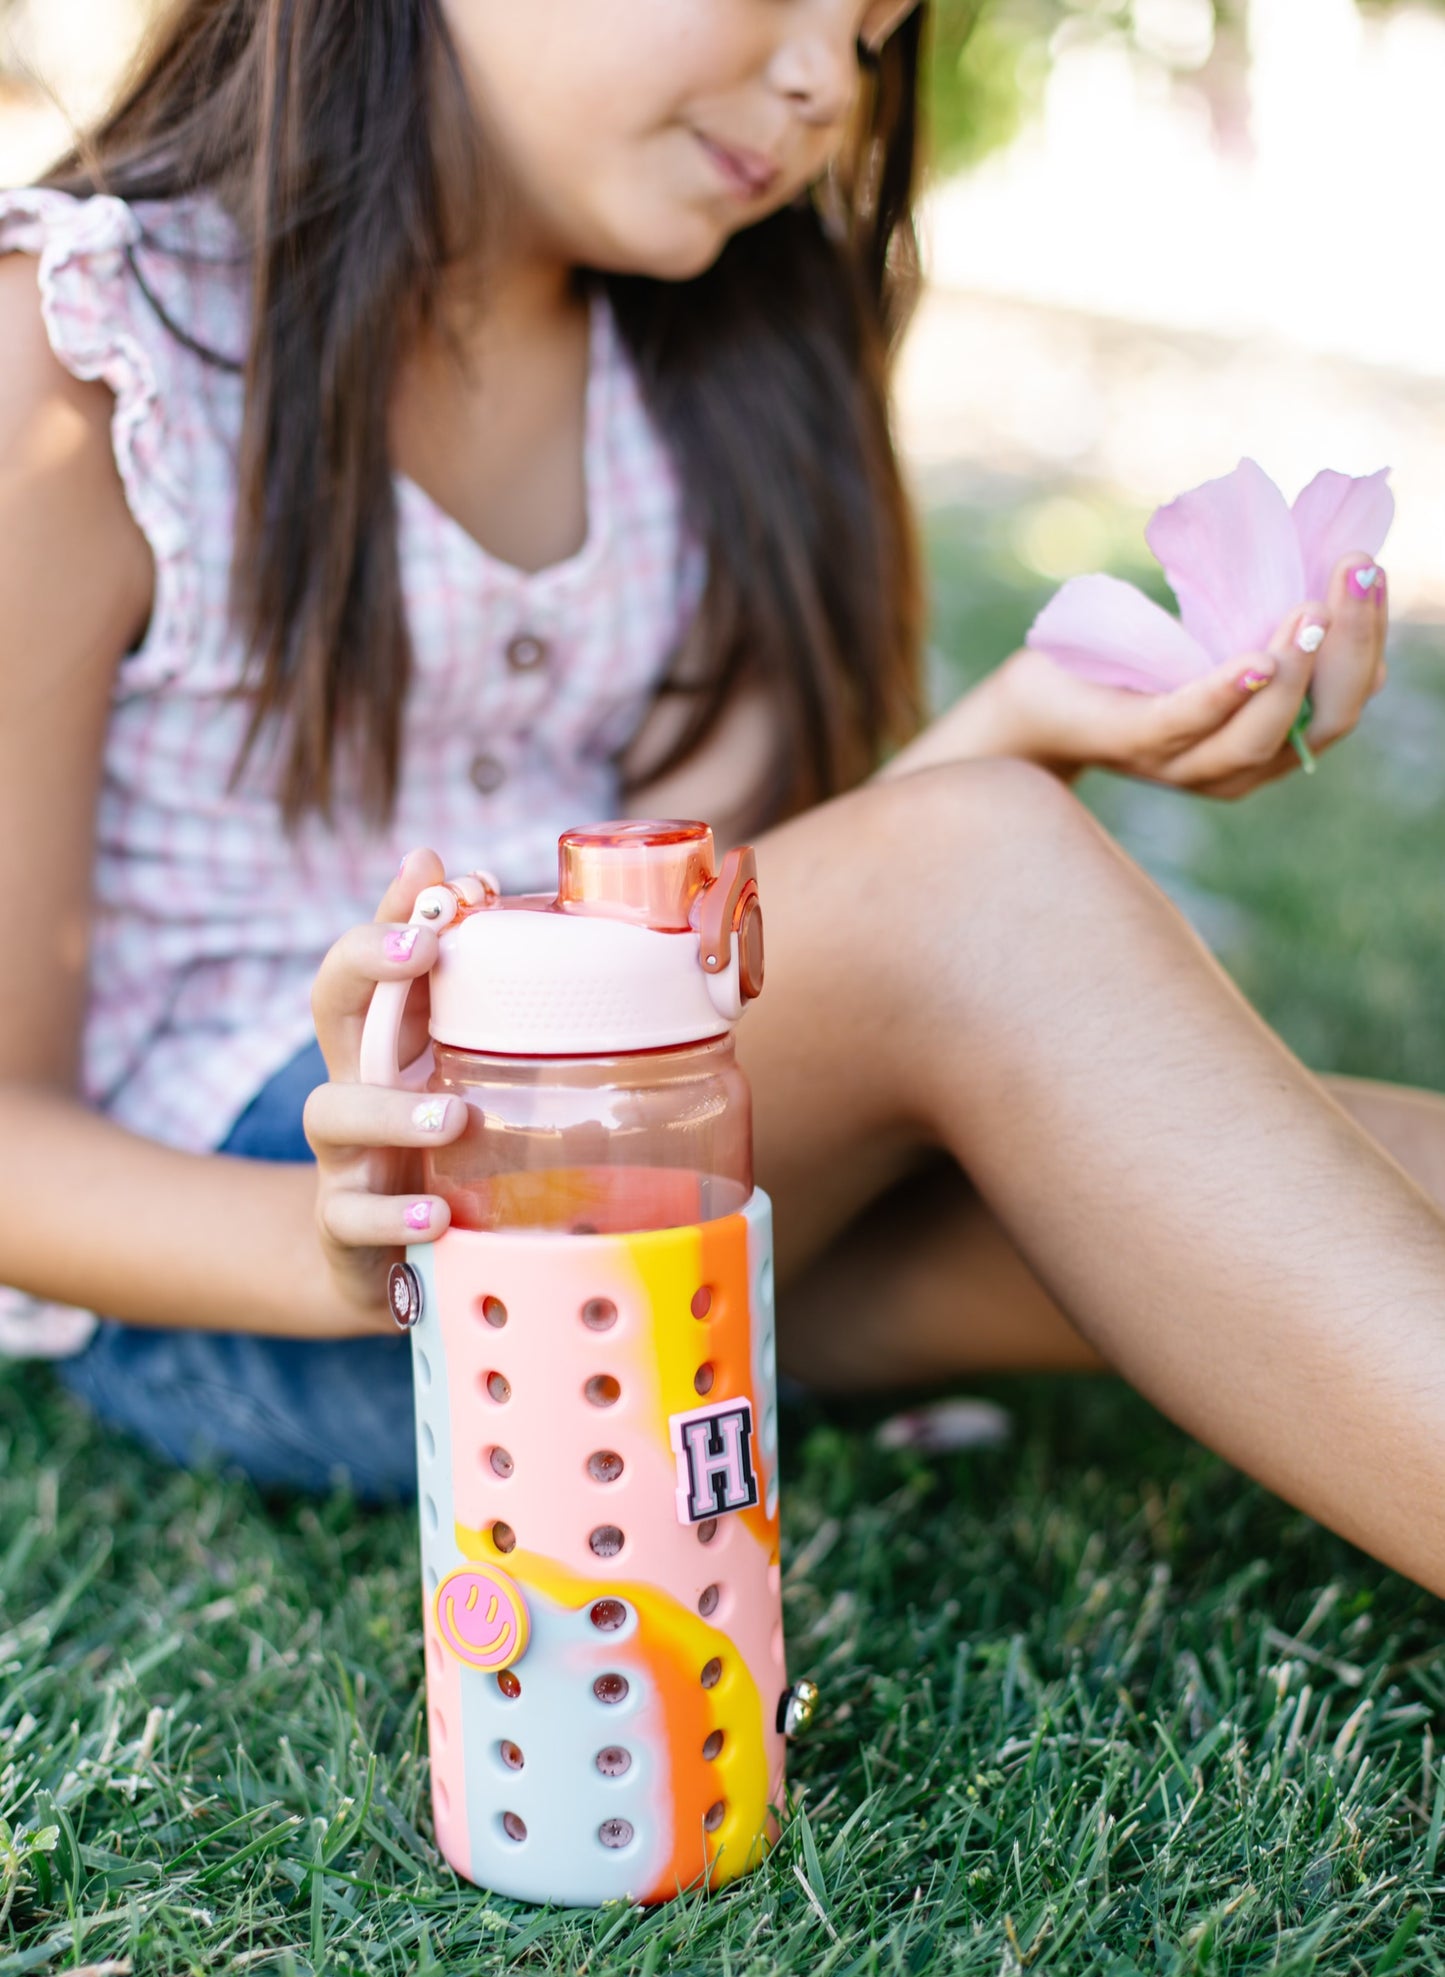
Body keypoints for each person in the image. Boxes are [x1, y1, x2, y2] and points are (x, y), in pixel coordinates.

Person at [2, 1, 1442, 1593]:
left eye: (877, 26)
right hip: (263, 1274)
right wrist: (331, 1242)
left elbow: (730, 975)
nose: (831, 78)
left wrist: (1023, 732)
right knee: (988, 896)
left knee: (1371, 1168)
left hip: (633, 1201)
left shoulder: (712, 362)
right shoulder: (86, 352)